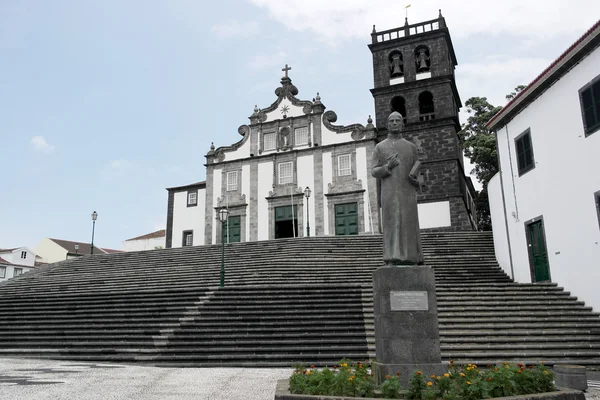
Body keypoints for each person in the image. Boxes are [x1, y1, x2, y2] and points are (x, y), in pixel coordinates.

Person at [371, 111, 424, 266]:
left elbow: (418, 170)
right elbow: (374, 171)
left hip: (407, 191)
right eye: (391, 121)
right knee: (391, 223)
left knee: (409, 223)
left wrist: (416, 180)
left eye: (397, 121)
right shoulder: (380, 147)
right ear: (387, 125)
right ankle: (392, 257)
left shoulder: (411, 147)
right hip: (388, 192)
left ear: (402, 124)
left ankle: (412, 257)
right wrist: (388, 166)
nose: (394, 123)